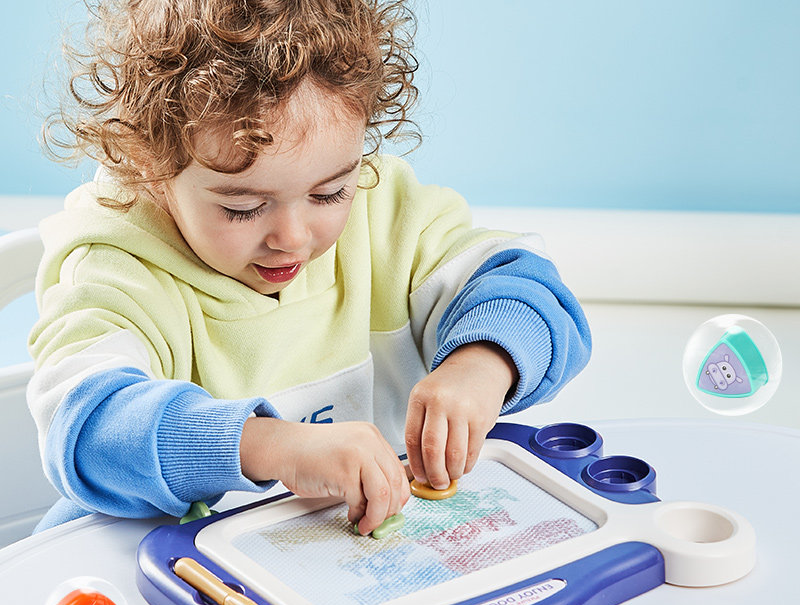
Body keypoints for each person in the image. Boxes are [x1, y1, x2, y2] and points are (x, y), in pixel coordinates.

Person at [28, 0, 591, 535]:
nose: (293, 238)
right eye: (243, 207)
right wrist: (273, 446)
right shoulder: (114, 265)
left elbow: (530, 292)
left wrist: (482, 366)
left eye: (329, 194)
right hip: (157, 574)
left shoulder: (385, 215)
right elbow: (88, 429)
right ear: (151, 167)